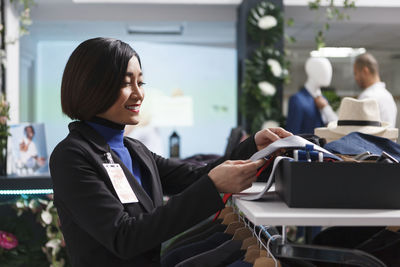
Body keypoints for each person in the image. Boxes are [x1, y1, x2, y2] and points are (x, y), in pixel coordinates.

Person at [49, 37, 292, 266]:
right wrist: (211, 185)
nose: (139, 93)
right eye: (126, 83)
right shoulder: (72, 156)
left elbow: (195, 177)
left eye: (140, 82)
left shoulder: (134, 150)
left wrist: (253, 147)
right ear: (93, 88)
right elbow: (124, 237)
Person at [286, 57, 337, 134]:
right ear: (312, 71)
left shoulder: (323, 100)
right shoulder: (297, 100)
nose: (328, 74)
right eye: (324, 70)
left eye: (329, 71)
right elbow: (292, 134)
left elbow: (334, 125)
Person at [354, 52, 397, 127]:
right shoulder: (388, 96)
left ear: (365, 71)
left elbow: (357, 132)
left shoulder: (367, 97)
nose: (355, 78)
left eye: (356, 73)